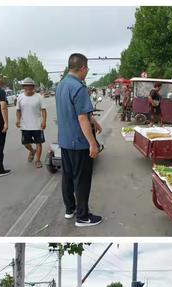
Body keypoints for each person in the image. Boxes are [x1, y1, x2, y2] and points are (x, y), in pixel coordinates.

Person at [55, 53, 102, 228]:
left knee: (67, 176)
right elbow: (82, 118)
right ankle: (82, 216)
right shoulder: (79, 88)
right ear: (82, 68)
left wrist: (94, 121)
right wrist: (92, 143)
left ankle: (70, 209)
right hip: (78, 142)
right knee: (81, 179)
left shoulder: (61, 86)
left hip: (65, 141)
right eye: (87, 68)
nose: (87, 71)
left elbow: (74, 111)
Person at [15, 77, 47, 168]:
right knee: (25, 143)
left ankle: (38, 160)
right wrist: (18, 120)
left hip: (37, 125)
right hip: (25, 125)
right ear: (24, 87)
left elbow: (43, 110)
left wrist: (44, 121)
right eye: (26, 87)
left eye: (30, 87)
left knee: (39, 143)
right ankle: (32, 151)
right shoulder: (20, 97)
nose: (28, 90)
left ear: (33, 87)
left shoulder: (39, 97)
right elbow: (18, 110)